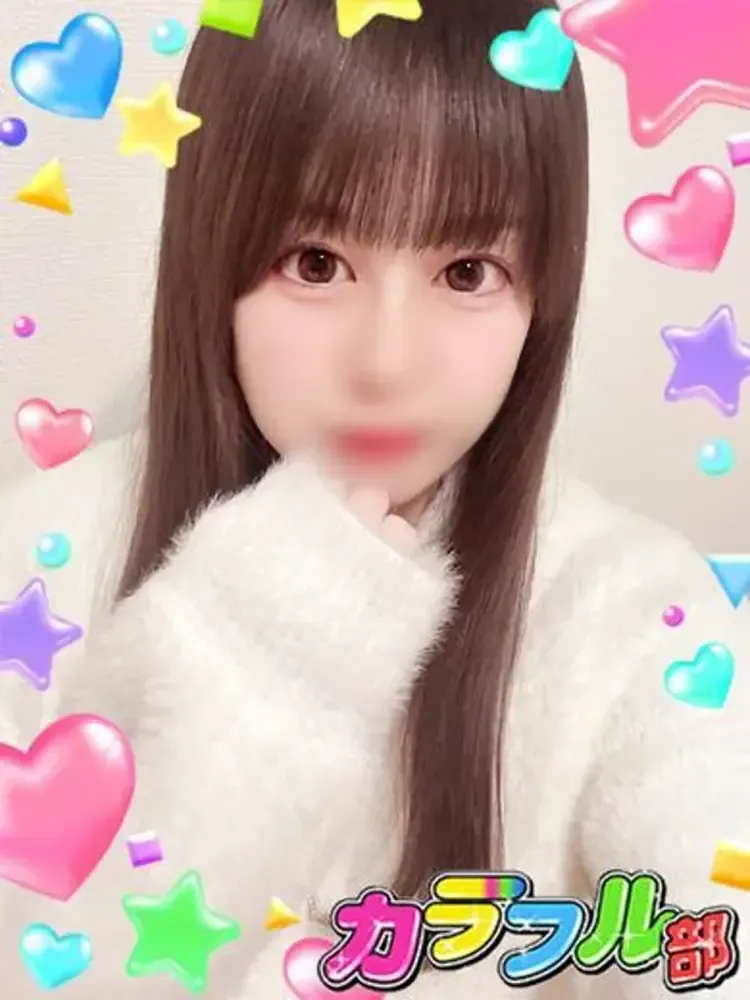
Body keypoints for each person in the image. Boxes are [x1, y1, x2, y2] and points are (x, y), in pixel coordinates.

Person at [0, 0, 748, 997]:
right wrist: (247, 686)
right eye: (316, 263)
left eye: (468, 271)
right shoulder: (41, 555)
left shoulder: (637, 610)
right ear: (210, 255)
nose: (388, 363)